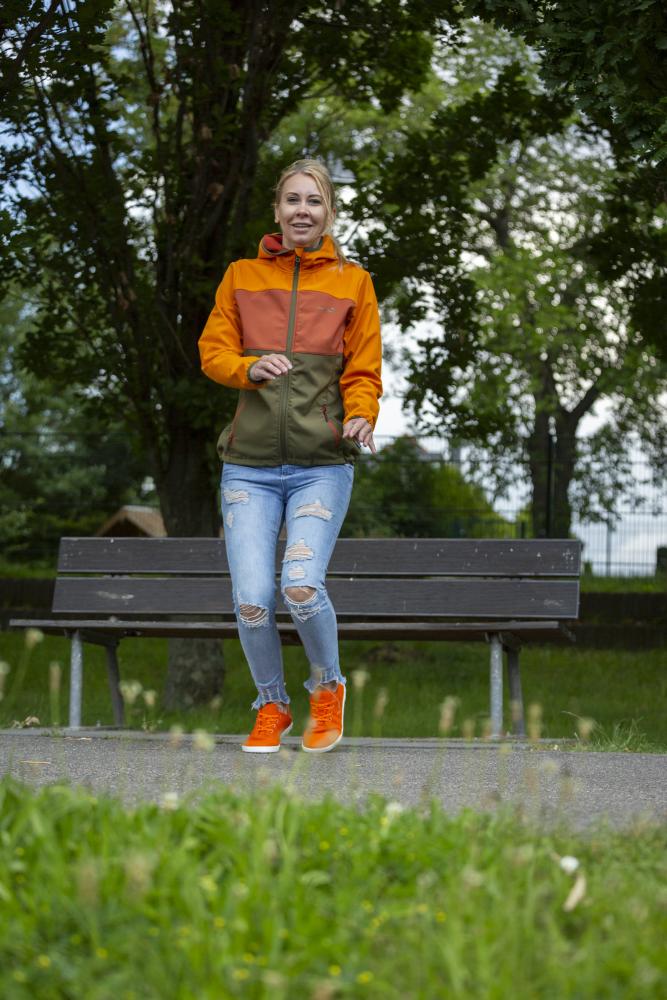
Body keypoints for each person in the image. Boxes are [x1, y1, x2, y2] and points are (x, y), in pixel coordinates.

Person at [198, 158, 382, 754]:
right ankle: (271, 703)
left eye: (315, 202)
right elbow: (212, 351)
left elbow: (364, 370)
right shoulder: (240, 276)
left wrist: (361, 414)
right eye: (293, 201)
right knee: (253, 599)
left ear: (329, 213)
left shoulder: (354, 282)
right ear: (277, 210)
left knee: (301, 585)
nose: (303, 211)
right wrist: (248, 367)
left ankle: (328, 690)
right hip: (247, 466)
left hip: (321, 467)